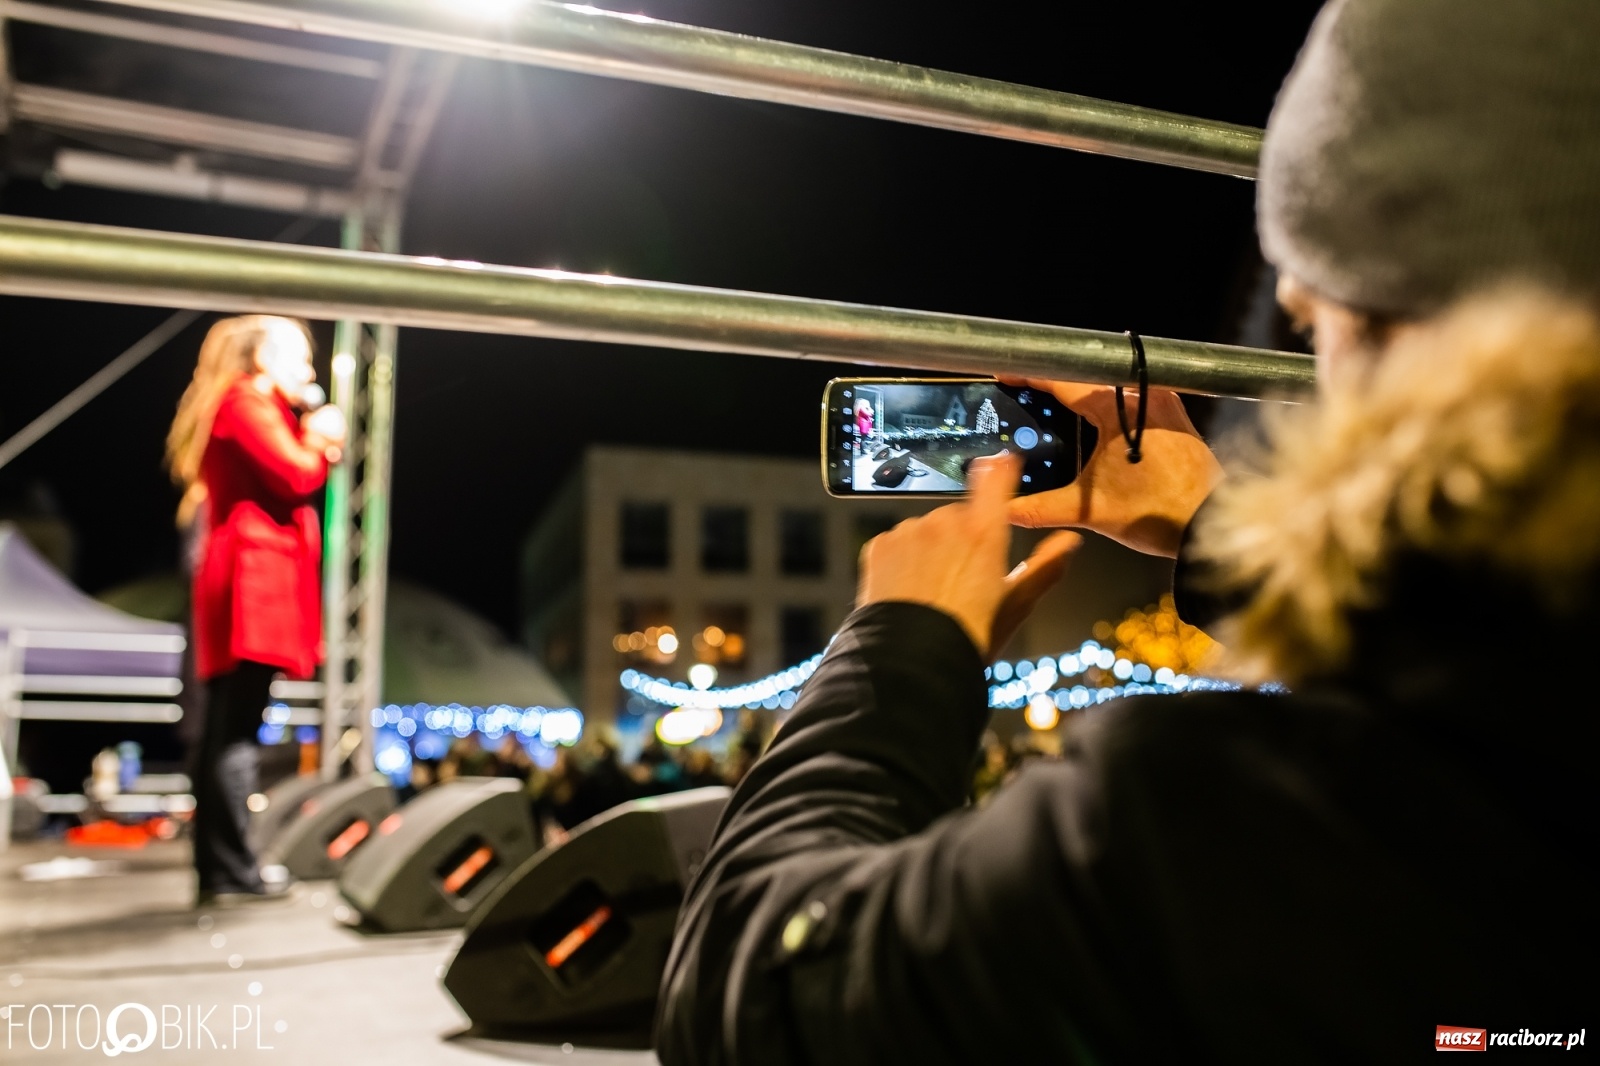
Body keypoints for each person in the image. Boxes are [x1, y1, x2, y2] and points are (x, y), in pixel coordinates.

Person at [657, 1, 1598, 1061]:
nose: (1296, 321)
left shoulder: (1214, 837)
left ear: (1370, 318)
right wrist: (1220, 531)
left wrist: (895, 658)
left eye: (1308, 315)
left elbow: (756, 993)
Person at [166, 315, 345, 905]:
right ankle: (233, 867)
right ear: (261, 357)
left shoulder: (244, 406)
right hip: (252, 583)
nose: (309, 370)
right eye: (297, 354)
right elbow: (295, 474)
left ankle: (222, 868)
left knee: (227, 726)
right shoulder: (246, 403)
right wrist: (319, 436)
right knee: (236, 728)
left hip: (245, 581)